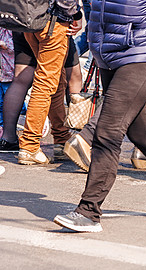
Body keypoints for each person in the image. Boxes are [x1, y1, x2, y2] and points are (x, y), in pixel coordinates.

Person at [53, 0, 146, 232]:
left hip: (142, 57)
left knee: (107, 133)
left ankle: (89, 212)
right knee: (141, 133)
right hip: (109, 59)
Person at [17, 1, 82, 164]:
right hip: (53, 22)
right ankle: (30, 146)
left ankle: (61, 138)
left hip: (31, 20)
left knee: (56, 79)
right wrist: (77, 14)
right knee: (45, 83)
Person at [0, 32, 80, 161]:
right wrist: (75, 15)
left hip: (24, 22)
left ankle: (9, 137)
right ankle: (33, 144)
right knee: (53, 79)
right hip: (53, 24)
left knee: (22, 79)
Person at [0, 28, 14, 129]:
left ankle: (34, 116)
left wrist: (4, 45)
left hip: (9, 74)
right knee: (0, 103)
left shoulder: (12, 28)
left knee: (13, 104)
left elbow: (14, 47)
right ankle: (1, 127)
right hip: (2, 74)